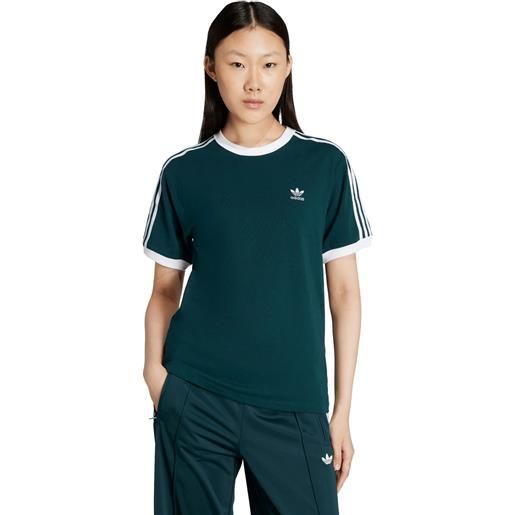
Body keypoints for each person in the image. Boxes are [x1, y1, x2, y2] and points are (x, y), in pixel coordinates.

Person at [142, 2, 373, 513]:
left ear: (288, 67)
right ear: (211, 68)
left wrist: (342, 412)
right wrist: (155, 377)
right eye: (237, 63)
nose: (254, 82)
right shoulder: (184, 172)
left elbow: (345, 293)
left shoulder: (324, 165)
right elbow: (163, 291)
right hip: (196, 396)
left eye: (268, 64)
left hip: (295, 403)